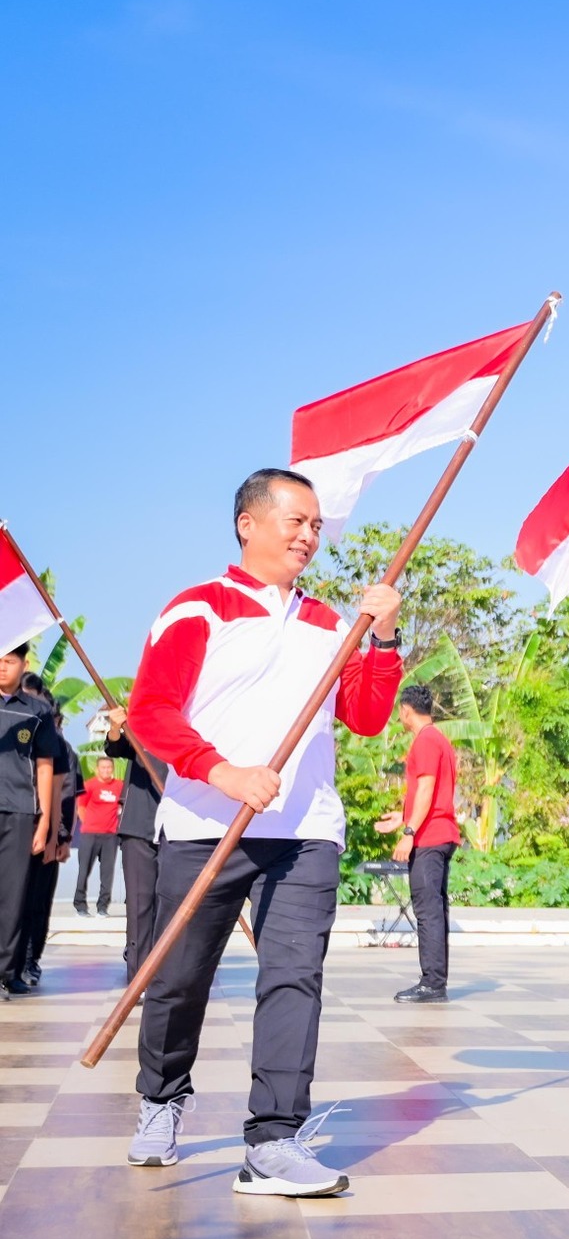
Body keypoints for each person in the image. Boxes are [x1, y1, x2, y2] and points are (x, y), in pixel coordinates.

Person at [124, 467, 401, 1195]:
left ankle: (275, 1140)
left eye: (316, 525)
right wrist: (222, 772)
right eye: (296, 520)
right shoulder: (198, 608)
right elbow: (151, 711)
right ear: (248, 523)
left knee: (294, 977)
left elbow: (366, 716)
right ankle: (161, 1097)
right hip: (205, 825)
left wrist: (383, 638)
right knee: (180, 976)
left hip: (306, 829)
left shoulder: (331, 623)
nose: (309, 536)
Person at [376, 684, 462, 1004]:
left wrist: (409, 832)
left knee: (427, 912)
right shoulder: (439, 739)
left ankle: (433, 984)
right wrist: (402, 817)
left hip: (429, 837)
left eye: (399, 711)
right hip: (441, 834)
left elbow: (426, 790)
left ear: (406, 710)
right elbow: (434, 793)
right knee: (435, 911)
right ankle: (435, 982)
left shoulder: (425, 741)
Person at [0, 648, 58, 999]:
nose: (2, 667)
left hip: (20, 810)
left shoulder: (38, 711)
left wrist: (44, 822)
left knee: (14, 896)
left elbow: (45, 766)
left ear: (25, 664)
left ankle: (7, 971)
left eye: (9, 660)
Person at [102, 706, 165, 981]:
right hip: (139, 825)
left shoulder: (195, 721)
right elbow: (115, 747)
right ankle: (139, 976)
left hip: (181, 830)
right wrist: (116, 727)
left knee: (173, 905)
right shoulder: (141, 722)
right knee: (139, 905)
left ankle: (167, 975)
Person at [19, 673, 74, 987]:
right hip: (13, 827)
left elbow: (64, 796)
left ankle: (28, 962)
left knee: (36, 902)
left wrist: (57, 836)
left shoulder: (59, 747)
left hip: (43, 831)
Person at [73, 757, 123, 917]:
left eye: (109, 767)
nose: (106, 770)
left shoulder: (119, 786)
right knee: (83, 871)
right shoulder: (89, 785)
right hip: (90, 834)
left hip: (110, 836)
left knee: (107, 873)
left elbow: (122, 805)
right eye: (103, 767)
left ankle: (102, 907)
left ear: (112, 769)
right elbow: (81, 807)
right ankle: (80, 906)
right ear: (97, 769)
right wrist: (88, 823)